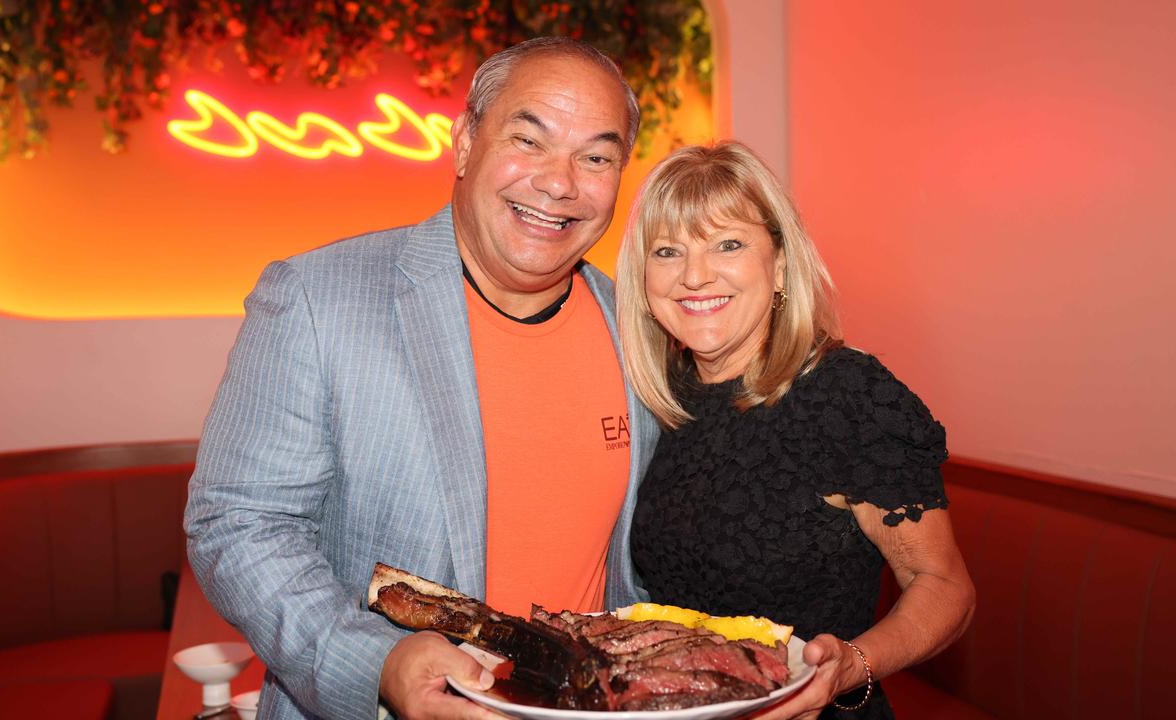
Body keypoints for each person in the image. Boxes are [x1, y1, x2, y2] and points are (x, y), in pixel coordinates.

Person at [184, 36, 659, 720]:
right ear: (465, 142)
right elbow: (236, 523)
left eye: (596, 157)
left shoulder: (636, 329)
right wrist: (376, 662)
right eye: (529, 141)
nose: (560, 182)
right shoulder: (318, 299)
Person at [615, 141, 975, 719]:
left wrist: (849, 667)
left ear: (779, 265)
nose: (695, 274)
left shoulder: (847, 395)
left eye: (728, 244)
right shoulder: (660, 401)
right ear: (644, 279)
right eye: (668, 251)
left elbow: (944, 585)